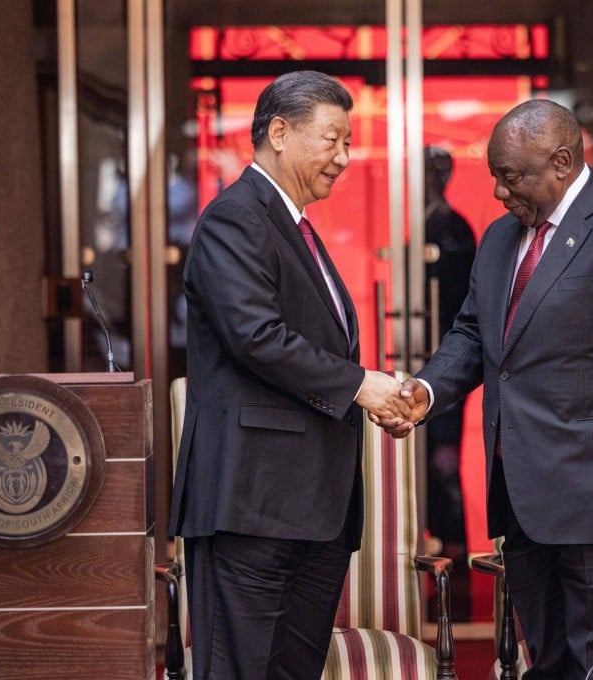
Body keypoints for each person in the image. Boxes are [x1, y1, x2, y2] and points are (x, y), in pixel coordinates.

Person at [383, 99, 593, 679]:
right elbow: (474, 334)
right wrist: (425, 392)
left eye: (512, 177)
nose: (501, 193)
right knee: (548, 664)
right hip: (523, 495)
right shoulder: (500, 239)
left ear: (560, 161)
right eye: (495, 178)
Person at [169, 70, 415, 680]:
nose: (345, 157)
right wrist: (364, 386)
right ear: (279, 132)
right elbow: (258, 338)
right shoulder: (235, 218)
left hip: (312, 509)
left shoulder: (294, 226)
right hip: (252, 502)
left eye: (348, 142)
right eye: (332, 140)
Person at [421, 145, 476, 620]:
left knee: (443, 459)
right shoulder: (422, 221)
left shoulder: (454, 228)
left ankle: (454, 543)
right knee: (427, 459)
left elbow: (466, 315)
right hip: (422, 361)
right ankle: (434, 535)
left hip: (447, 362)